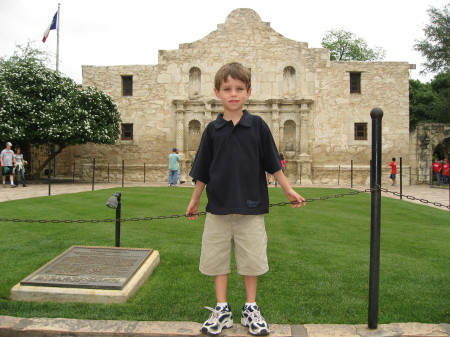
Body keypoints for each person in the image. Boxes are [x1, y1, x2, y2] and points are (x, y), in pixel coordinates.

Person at [185, 62, 306, 336]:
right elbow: (202, 170)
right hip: (218, 206)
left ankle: (251, 308)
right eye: (227, 89)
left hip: (251, 206)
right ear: (217, 92)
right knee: (217, 259)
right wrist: (194, 200)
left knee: (251, 259)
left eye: (239, 88)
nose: (233, 94)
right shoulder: (212, 130)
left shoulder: (258, 125)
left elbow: (272, 162)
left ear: (248, 92)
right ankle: (222, 309)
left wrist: (288, 189)